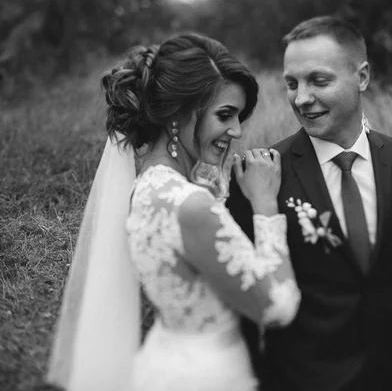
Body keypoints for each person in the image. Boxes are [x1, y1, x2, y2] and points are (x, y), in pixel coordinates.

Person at [46, 33, 301, 391]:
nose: (238, 130)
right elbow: (278, 308)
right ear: (178, 114)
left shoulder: (146, 187)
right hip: (208, 376)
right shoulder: (190, 206)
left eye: (239, 116)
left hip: (165, 357)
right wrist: (264, 204)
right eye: (225, 115)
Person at [227, 16, 392, 391]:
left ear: (362, 77)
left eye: (319, 80)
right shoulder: (261, 173)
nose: (301, 98)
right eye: (292, 83)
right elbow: (244, 308)